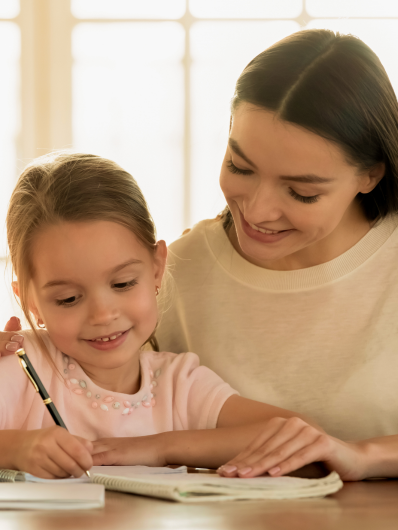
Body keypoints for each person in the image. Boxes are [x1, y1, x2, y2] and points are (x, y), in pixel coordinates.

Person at [3, 28, 398, 480]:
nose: (257, 210)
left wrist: (362, 455)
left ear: (369, 175)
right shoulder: (183, 273)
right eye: (240, 167)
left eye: (301, 191)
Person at [2, 151, 345, 480]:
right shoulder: (19, 364)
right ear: (29, 300)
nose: (103, 314)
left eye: (123, 283)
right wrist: (13, 448)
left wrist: (159, 448)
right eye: (69, 298)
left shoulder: (178, 383)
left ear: (156, 268)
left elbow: (302, 435)